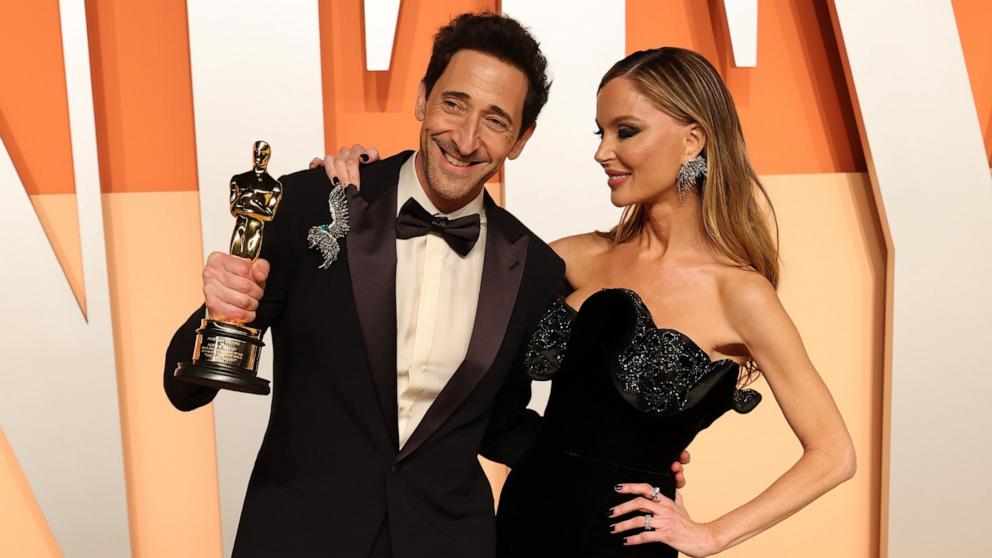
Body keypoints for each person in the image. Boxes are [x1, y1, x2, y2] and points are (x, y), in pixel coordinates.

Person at [164, 13, 688, 558]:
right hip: (297, 536)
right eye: (454, 103)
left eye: (495, 120)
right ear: (422, 98)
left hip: (449, 542)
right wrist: (218, 311)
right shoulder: (313, 203)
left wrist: (629, 453)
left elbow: (501, 425)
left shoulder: (534, 268)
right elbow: (184, 388)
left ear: (521, 138)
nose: (464, 139)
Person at [317, 47, 856, 557]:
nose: (602, 152)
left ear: (693, 140)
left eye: (626, 132)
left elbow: (834, 454)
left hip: (620, 545)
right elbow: (430, 281)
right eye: (601, 132)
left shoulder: (739, 294)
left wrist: (711, 534)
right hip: (517, 528)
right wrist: (366, 182)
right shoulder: (571, 258)